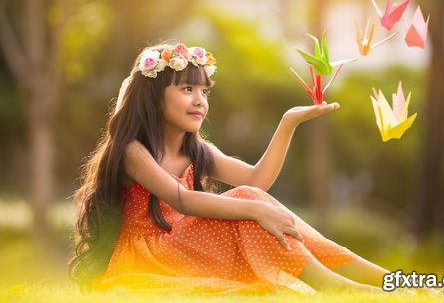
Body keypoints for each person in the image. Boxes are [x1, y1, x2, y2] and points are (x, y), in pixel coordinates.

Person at [68, 42, 394, 294]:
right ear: (154, 97)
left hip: (186, 244)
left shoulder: (196, 150)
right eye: (187, 89)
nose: (200, 100)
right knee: (249, 202)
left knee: (254, 198)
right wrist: (253, 210)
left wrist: (287, 123)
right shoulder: (133, 151)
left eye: (203, 91)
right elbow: (181, 199)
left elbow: (257, 179)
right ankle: (335, 285)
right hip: (151, 255)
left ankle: (399, 282)